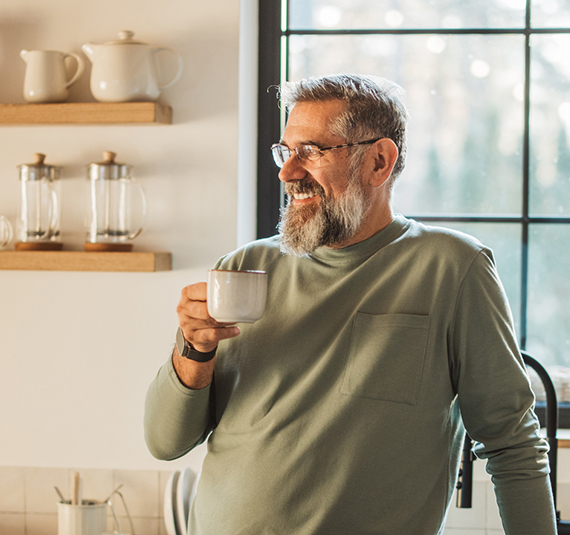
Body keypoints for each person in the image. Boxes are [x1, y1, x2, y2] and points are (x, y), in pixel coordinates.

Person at [144, 74, 557, 535]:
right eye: (285, 151)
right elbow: (165, 442)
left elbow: (512, 442)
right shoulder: (244, 267)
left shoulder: (452, 269)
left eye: (312, 151)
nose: (287, 172)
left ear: (379, 161)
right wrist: (193, 348)